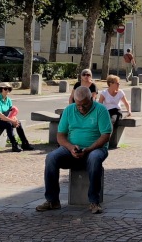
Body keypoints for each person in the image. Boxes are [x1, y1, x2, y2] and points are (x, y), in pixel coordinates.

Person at [37, 86, 113, 214]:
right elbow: (60, 136)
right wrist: (71, 147)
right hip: (71, 149)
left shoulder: (101, 110)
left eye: (85, 105)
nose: (81, 108)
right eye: (78, 105)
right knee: (51, 158)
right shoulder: (69, 110)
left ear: (92, 99)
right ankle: (52, 200)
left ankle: (94, 201)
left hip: (95, 149)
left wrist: (88, 149)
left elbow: (106, 135)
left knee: (94, 159)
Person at [0, 84, 33, 152]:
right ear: (1, 89)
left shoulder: (8, 100)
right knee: (8, 124)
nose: (7, 90)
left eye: (9, 89)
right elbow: (0, 115)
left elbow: (11, 112)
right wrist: (12, 121)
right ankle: (14, 145)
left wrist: (15, 120)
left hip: (6, 119)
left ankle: (25, 143)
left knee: (18, 123)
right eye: (5, 89)